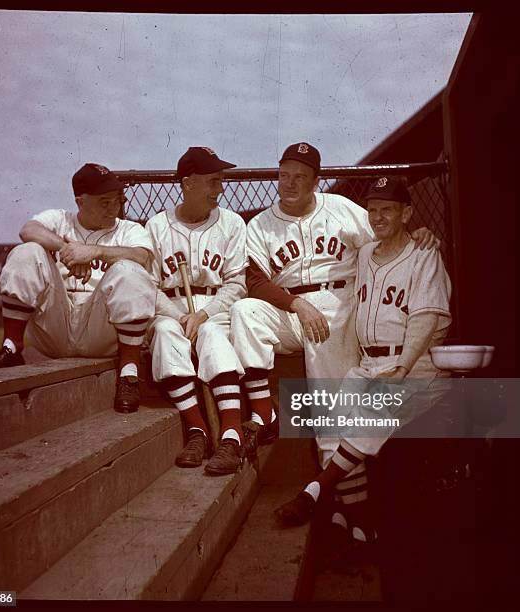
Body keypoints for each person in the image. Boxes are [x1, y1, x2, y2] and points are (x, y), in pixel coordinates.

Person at [230, 143, 437, 455]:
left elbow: (387, 234)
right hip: (292, 308)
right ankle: (265, 412)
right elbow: (255, 280)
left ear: (316, 182)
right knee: (244, 311)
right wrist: (297, 305)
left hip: (341, 304)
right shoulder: (260, 224)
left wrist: (418, 233)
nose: (289, 183)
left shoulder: (339, 207)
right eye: (284, 175)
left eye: (300, 177)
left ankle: (341, 491)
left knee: (334, 412)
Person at [274, 175, 452, 529]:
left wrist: (401, 369)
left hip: (414, 365)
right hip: (369, 364)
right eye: (373, 210)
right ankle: (353, 522)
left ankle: (313, 492)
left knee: (370, 414)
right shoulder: (366, 252)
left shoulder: (423, 254)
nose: (378, 216)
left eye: (388, 209)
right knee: (335, 423)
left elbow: (427, 318)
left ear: (407, 213)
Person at [0, 163, 157, 414]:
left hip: (101, 329)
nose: (113, 208)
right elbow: (27, 230)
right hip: (56, 325)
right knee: (26, 251)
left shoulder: (129, 229)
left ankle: (128, 373)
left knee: (130, 270)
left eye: (117, 200)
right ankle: (11, 348)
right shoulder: (60, 219)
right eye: (104, 202)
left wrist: (95, 252)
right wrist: (66, 250)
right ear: (80, 201)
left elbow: (142, 256)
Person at [145, 147, 248, 475]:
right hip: (169, 307)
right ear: (188, 184)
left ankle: (231, 436)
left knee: (212, 334)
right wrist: (178, 317)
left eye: (221, 182)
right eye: (213, 182)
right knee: (164, 333)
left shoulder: (231, 223)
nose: (220, 189)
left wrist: (203, 314)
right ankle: (197, 431)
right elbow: (149, 286)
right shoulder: (157, 225)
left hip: (215, 306)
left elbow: (237, 284)